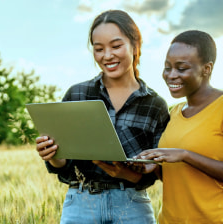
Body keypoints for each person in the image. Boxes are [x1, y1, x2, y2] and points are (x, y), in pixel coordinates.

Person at [35, 9, 169, 224]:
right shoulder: (77, 94)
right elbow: (62, 165)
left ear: (135, 45)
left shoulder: (155, 105)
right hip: (81, 203)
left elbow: (158, 171)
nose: (107, 56)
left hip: (131, 204)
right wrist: (53, 156)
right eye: (99, 49)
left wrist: (128, 173)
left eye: (116, 46)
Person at [135, 30, 223, 223]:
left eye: (181, 68)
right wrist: (155, 167)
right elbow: (181, 179)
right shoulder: (174, 112)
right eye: (167, 67)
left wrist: (186, 155)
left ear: (206, 68)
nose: (171, 75)